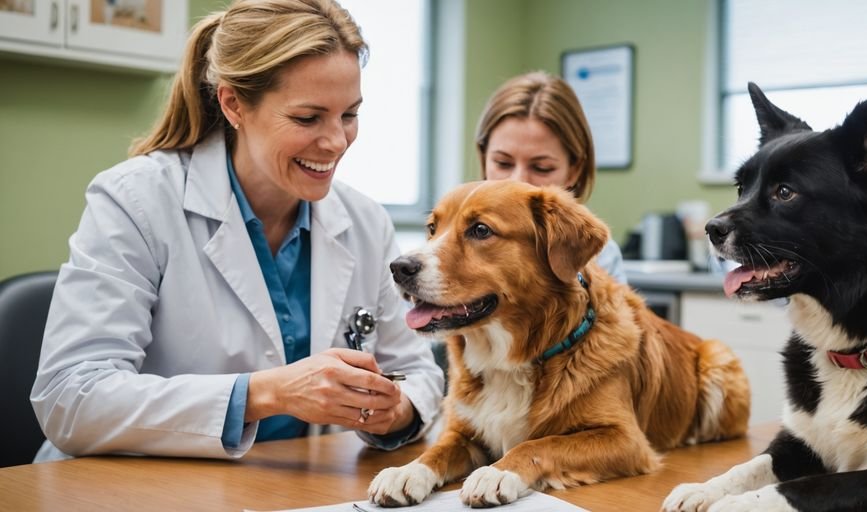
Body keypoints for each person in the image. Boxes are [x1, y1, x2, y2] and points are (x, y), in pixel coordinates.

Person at [30, 0, 443, 461]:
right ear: (233, 105)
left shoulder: (365, 221)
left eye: (349, 114)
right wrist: (265, 394)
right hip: (125, 486)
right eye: (308, 118)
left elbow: (417, 373)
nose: (336, 141)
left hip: (288, 485)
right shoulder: (135, 200)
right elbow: (71, 397)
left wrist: (395, 412)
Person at [475, 71, 627, 283]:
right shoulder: (447, 240)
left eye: (541, 167)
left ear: (574, 170)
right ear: (484, 159)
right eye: (503, 163)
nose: (517, 182)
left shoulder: (601, 256)